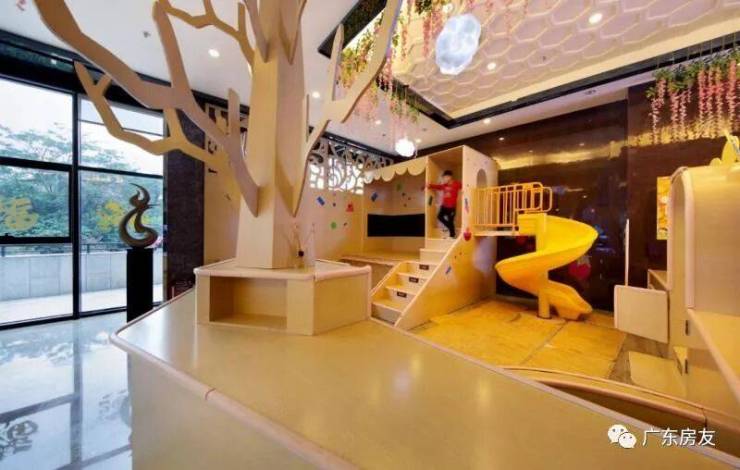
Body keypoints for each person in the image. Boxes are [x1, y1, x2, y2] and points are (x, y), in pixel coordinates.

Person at [428, 170, 462, 238]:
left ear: (449, 177)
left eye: (445, 177)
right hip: (444, 206)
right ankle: (450, 227)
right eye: (443, 178)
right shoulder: (444, 185)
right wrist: (430, 185)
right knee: (439, 217)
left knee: (450, 221)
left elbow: (464, 185)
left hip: (452, 207)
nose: (444, 179)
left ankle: (452, 236)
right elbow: (438, 187)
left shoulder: (456, 184)